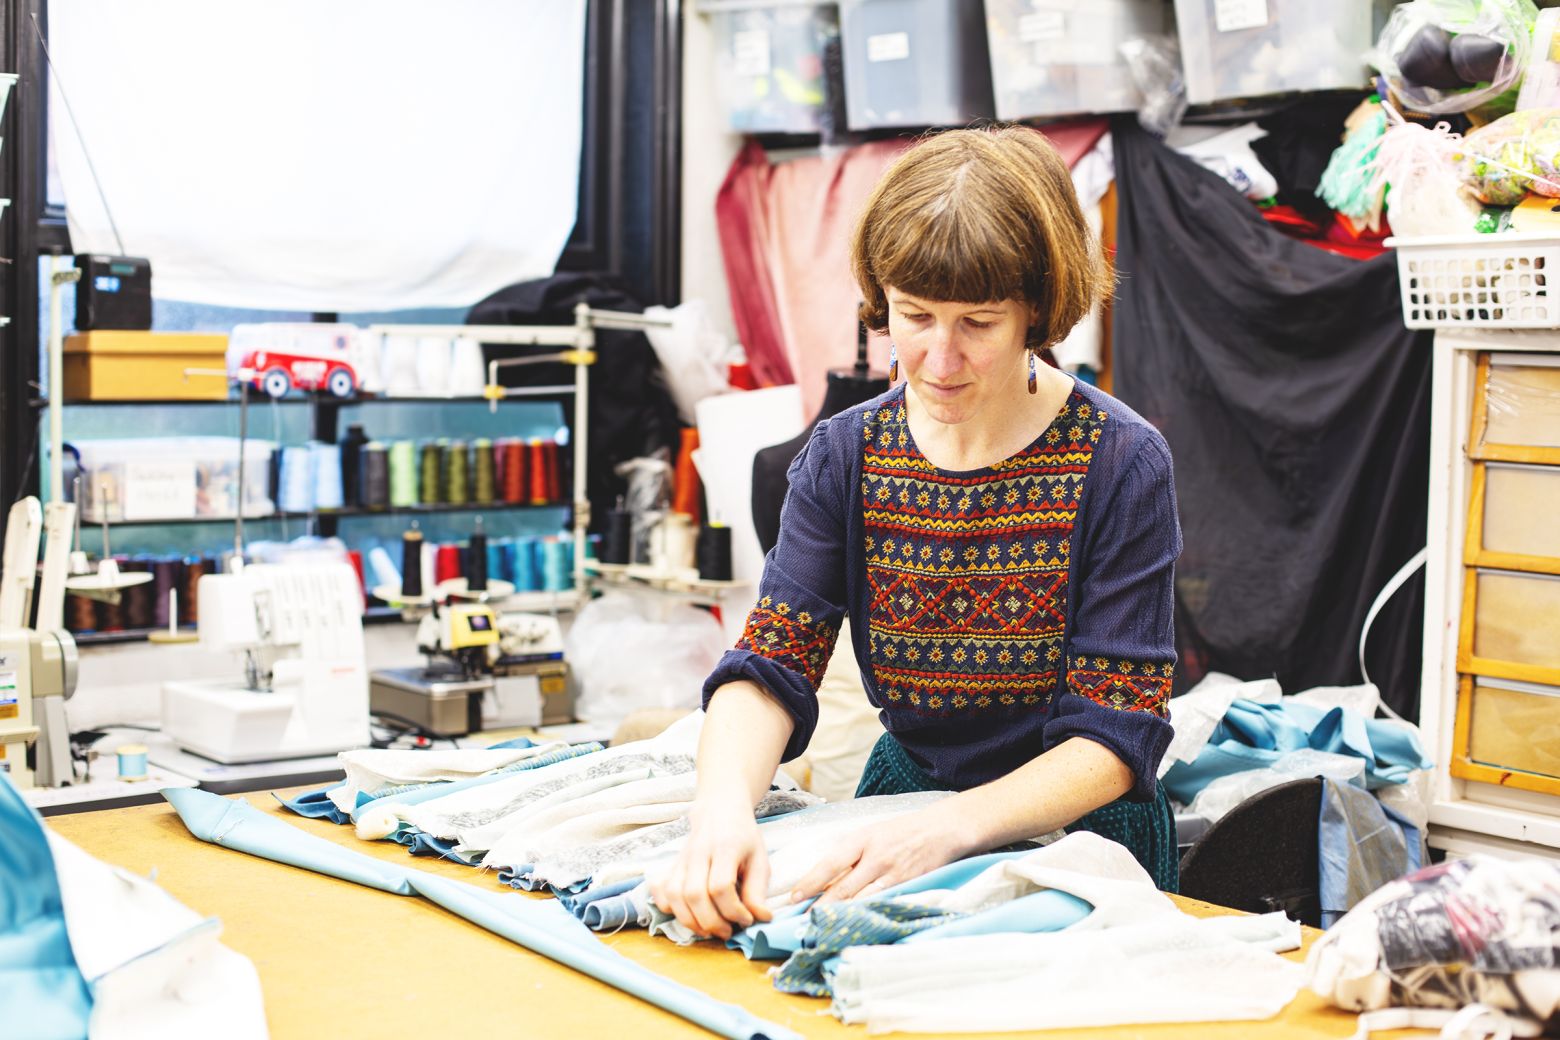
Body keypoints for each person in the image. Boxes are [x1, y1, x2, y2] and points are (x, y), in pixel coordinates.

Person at [652, 125, 1181, 941]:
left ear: (1037, 310)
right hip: (900, 804)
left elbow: (1114, 733)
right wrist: (720, 812)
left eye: (979, 322)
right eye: (914, 315)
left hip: (1082, 847)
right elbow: (771, 662)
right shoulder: (847, 455)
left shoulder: (1121, 462)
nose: (938, 359)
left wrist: (952, 829)